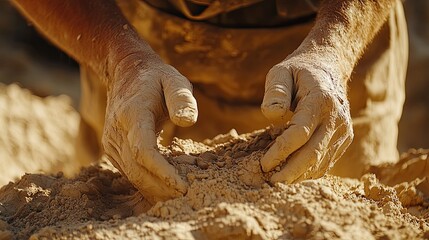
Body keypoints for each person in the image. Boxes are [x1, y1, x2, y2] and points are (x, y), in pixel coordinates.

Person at [11, 0, 408, 203]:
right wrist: (119, 58)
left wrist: (334, 47)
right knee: (116, 197)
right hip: (126, 35)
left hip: (335, 30)